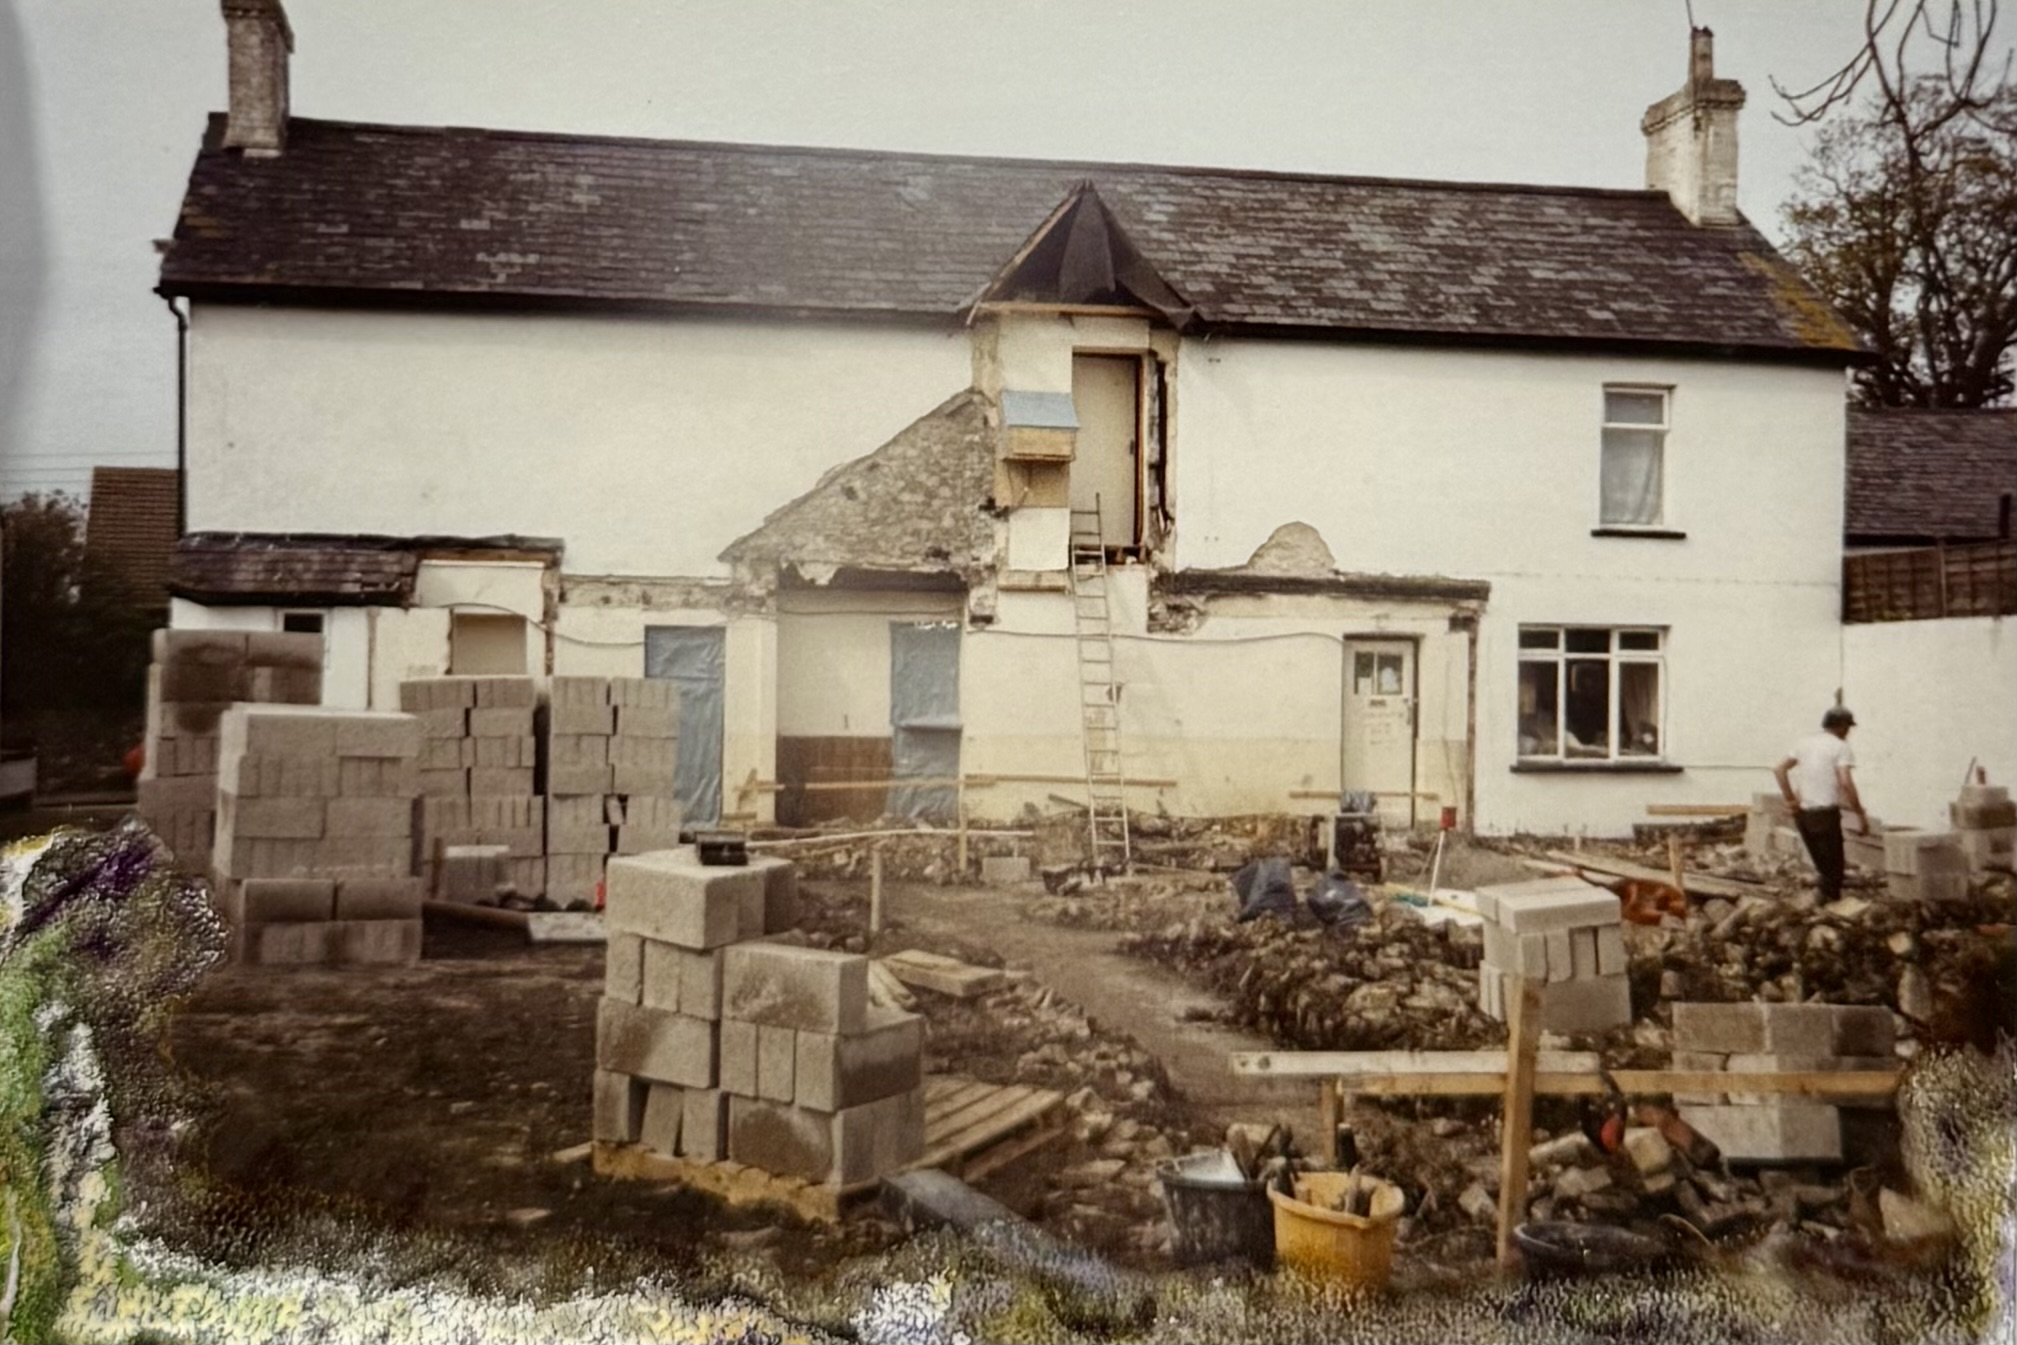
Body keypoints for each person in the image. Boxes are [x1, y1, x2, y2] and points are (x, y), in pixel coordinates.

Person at [1773, 706, 1866, 902]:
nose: (1848, 732)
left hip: (1803, 815)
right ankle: (1831, 907)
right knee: (1834, 870)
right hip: (1825, 814)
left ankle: (1822, 904)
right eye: (1848, 727)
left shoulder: (1804, 743)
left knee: (1824, 867)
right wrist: (1859, 813)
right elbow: (1846, 782)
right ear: (1841, 726)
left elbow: (1779, 769)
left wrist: (1790, 800)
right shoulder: (1840, 747)